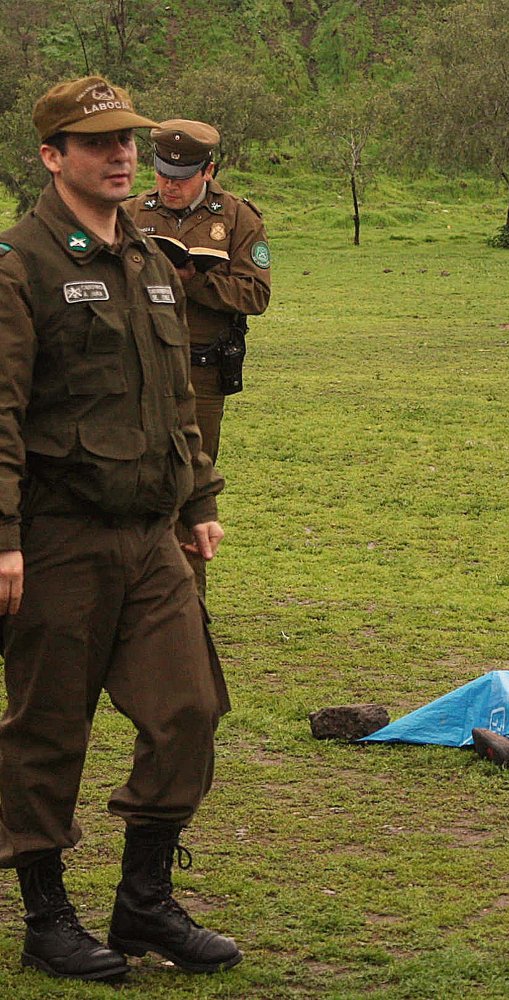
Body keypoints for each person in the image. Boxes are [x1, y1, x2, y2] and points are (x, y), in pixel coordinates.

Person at [0, 76, 241, 981]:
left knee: (188, 710)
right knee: (48, 729)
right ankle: (46, 917)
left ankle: (142, 903)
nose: (121, 154)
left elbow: (177, 395)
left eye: (126, 140)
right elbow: (1, 412)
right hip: (58, 536)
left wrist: (199, 499)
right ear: (52, 156)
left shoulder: (146, 255)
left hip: (150, 536)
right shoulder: (21, 264)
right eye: (97, 142)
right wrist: (3, 537)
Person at [126, 120, 271, 596]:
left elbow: (256, 294)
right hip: (134, 368)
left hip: (199, 372)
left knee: (190, 485)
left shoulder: (237, 219)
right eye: (163, 172)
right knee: (129, 480)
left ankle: (189, 607)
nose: (169, 184)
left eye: (181, 175)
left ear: (208, 170)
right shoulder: (130, 212)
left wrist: (194, 281)